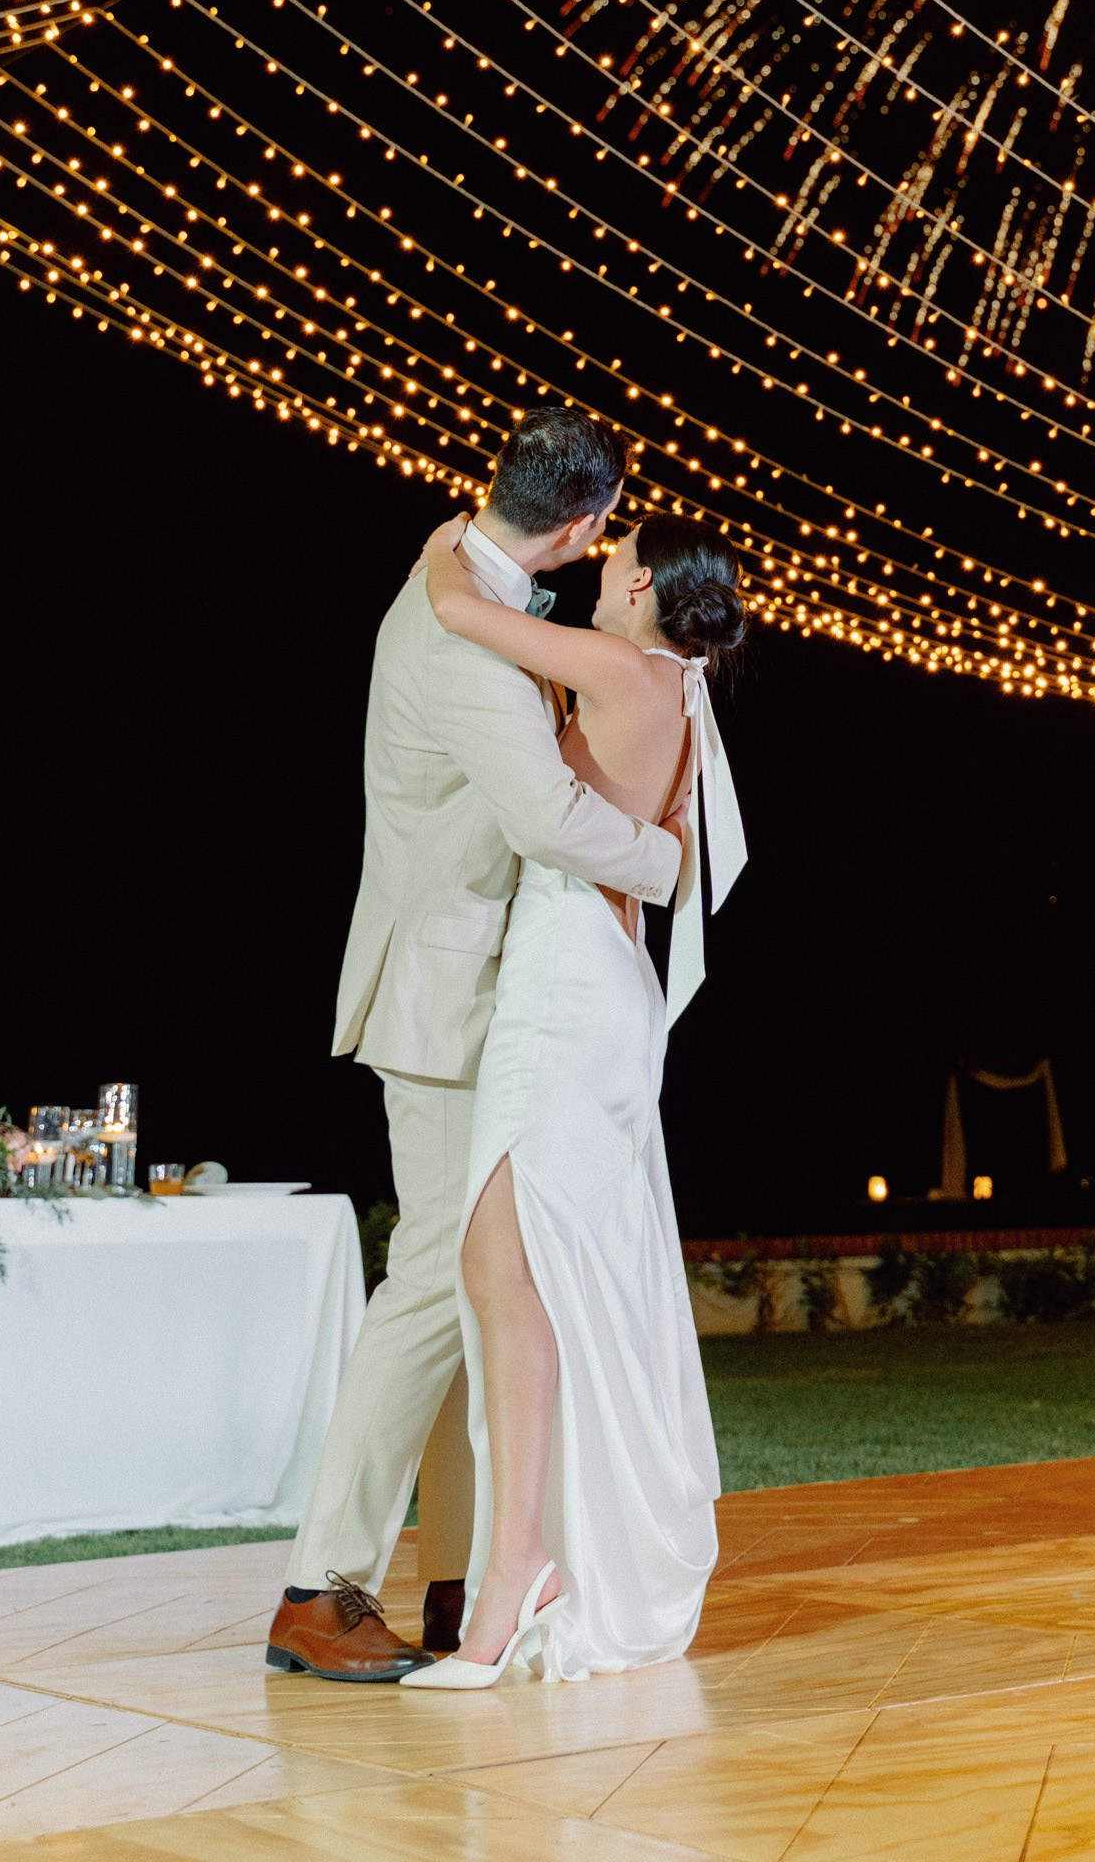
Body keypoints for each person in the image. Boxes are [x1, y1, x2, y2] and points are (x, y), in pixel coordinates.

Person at [267, 406, 684, 1685]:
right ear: (583, 525)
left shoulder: (460, 570)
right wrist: (671, 867)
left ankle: (458, 1579)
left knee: (478, 1282)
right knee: (443, 1279)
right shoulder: (461, 636)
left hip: (497, 997)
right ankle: (319, 1584)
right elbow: (551, 818)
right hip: (448, 1003)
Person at [400, 506, 745, 1690]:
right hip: (586, 982)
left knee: (506, 1269)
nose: (596, 573)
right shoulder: (672, 688)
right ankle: (528, 1561)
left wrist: (462, 532)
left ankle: (520, 1571)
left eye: (608, 559)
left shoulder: (621, 665)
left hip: (569, 993)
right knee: (517, 1274)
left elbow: (460, 612)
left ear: (642, 581)